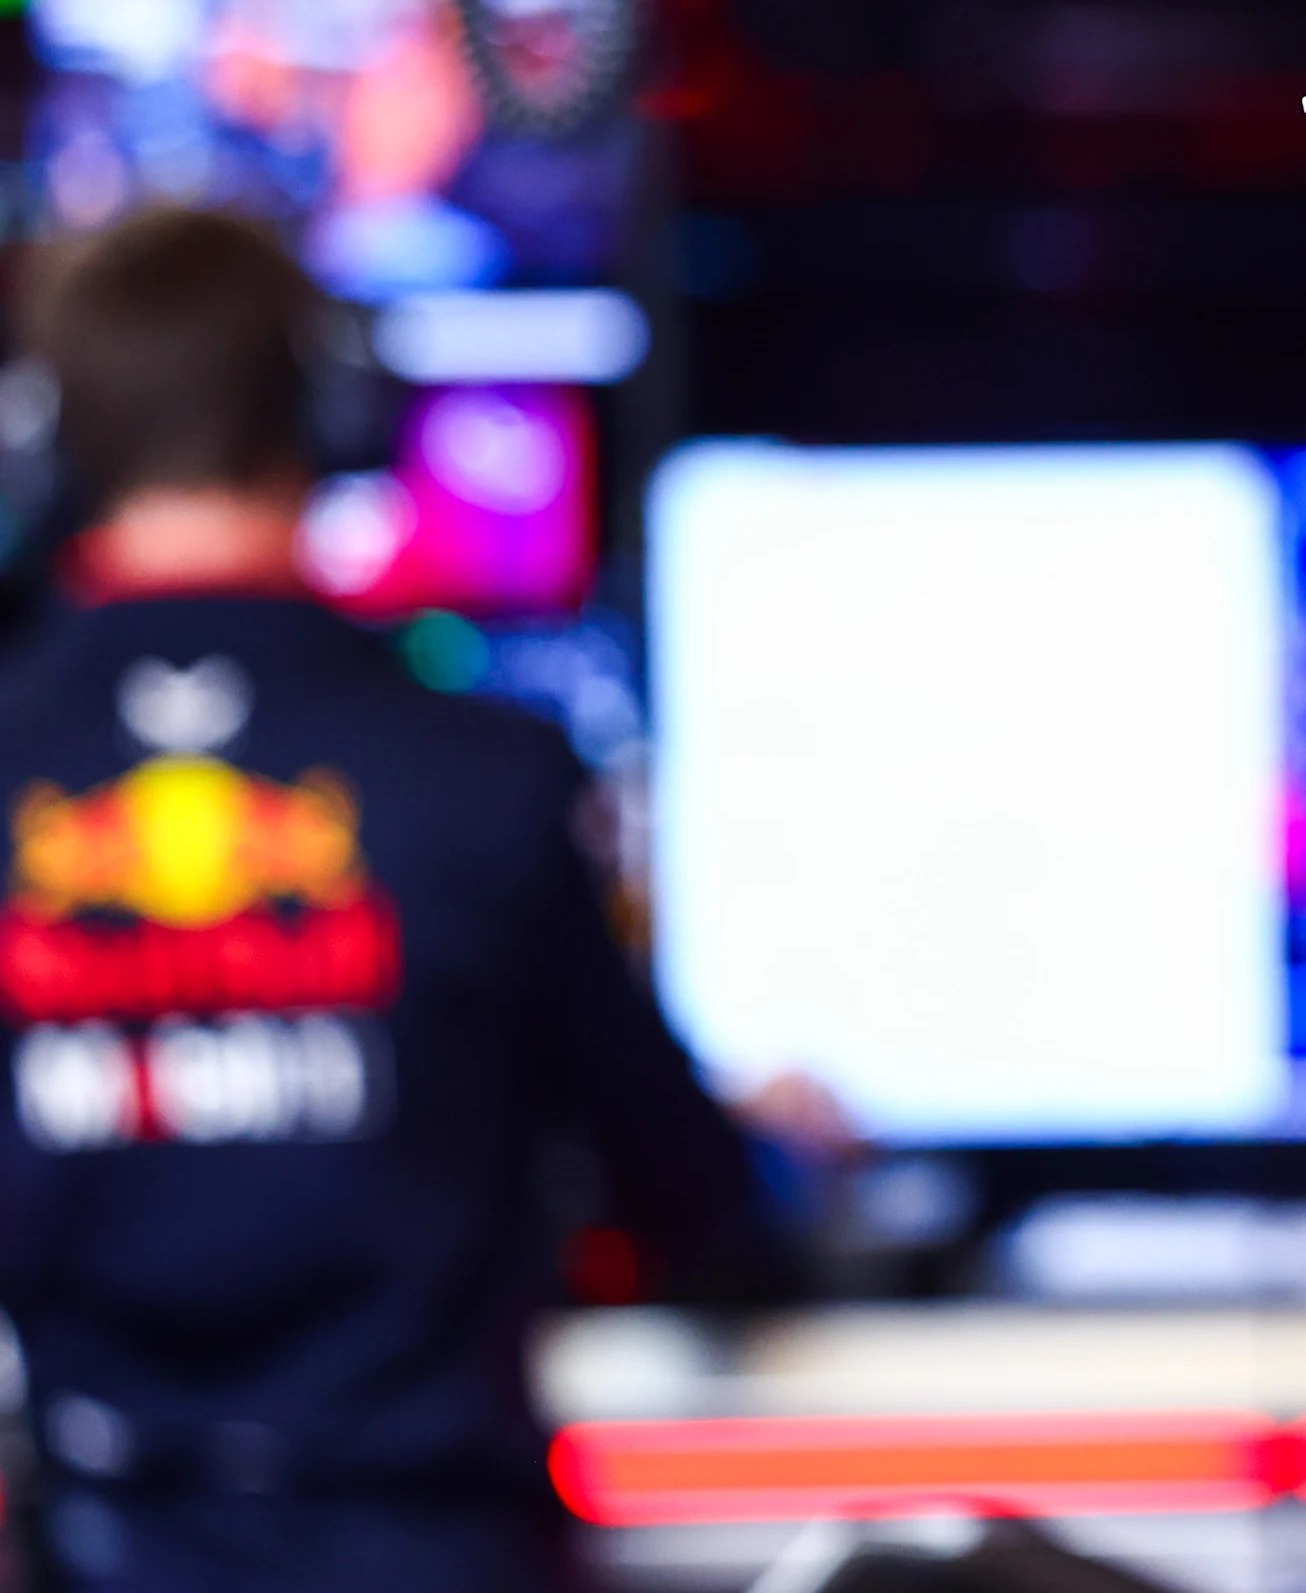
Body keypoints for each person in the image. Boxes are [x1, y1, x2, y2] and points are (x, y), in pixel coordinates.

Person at [0, 207, 786, 1592]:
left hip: (103, 1550)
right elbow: (697, 1207)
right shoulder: (484, 778)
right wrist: (789, 1157)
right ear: (332, 414)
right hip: (436, 1548)